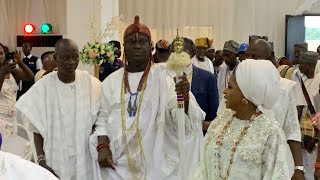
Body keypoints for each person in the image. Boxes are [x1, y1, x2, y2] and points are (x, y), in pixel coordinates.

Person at [91, 16, 204, 180]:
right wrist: (102, 146)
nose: (137, 45)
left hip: (156, 161)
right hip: (117, 160)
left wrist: (184, 98)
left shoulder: (166, 75)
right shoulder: (110, 81)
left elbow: (180, 112)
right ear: (124, 47)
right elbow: (102, 118)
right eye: (131, 42)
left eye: (142, 42)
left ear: (151, 47)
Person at [15, 39, 101, 180]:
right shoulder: (43, 86)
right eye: (65, 58)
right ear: (55, 58)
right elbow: (34, 126)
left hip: (85, 159)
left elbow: (102, 119)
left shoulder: (91, 83)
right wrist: (41, 160)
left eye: (75, 57)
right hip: (55, 159)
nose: (71, 62)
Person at [194, 59, 291, 179]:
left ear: (246, 93)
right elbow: (202, 167)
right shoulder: (220, 121)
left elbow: (276, 175)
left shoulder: (270, 131)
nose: (224, 91)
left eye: (230, 87)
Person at [244, 39, 305, 180]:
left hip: (277, 162)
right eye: (248, 56)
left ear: (270, 58)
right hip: (244, 163)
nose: (250, 61)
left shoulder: (284, 88)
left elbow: (292, 129)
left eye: (255, 57)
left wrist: (299, 168)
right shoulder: (238, 87)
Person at [0, 43, 34, 154]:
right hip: (0, 119)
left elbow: (30, 77)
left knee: (11, 153)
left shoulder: (11, 71)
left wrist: (20, 62)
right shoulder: (5, 71)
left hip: (12, 120)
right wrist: (3, 72)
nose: (0, 56)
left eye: (1, 53)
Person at [295, 51, 320, 180]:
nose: (299, 66)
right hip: (302, 127)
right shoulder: (300, 78)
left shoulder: (318, 80)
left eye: (302, 63)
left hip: (316, 129)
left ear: (309, 64)